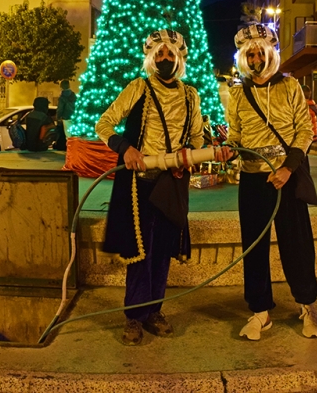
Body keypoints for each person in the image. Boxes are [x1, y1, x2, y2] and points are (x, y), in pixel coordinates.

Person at [96, 29, 230, 346]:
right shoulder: (138, 87)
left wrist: (192, 158)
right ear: (152, 58)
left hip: (172, 183)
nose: (165, 59)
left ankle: (154, 311)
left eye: (170, 54)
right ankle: (133, 317)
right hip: (139, 185)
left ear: (179, 57)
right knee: (140, 253)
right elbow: (104, 123)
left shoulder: (190, 95)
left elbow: (197, 138)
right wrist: (125, 148)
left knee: (163, 252)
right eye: (160, 54)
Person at [227, 24, 317, 341]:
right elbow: (236, 134)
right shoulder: (238, 93)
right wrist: (229, 149)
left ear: (270, 54)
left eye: (260, 52)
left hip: (287, 177)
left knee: (297, 244)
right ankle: (260, 312)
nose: (255, 58)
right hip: (254, 179)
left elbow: (304, 131)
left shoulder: (291, 87)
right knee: (254, 247)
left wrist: (288, 168)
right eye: (250, 53)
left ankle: (307, 306)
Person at [53, 80, 76, 151]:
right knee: (74, 134)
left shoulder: (62, 97)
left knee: (68, 135)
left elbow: (60, 108)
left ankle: (70, 149)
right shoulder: (74, 95)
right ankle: (74, 148)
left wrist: (58, 117)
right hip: (74, 116)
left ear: (61, 87)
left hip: (66, 117)